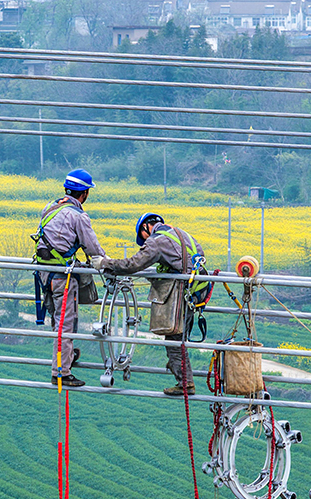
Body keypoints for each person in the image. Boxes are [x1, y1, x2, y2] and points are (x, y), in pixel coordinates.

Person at [92, 213, 206, 396]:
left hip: (180, 293)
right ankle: (180, 371)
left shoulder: (156, 241)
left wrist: (105, 263)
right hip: (196, 291)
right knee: (179, 337)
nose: (145, 241)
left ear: (146, 227)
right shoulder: (182, 234)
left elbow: (133, 264)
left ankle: (185, 383)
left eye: (143, 237)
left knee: (174, 338)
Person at [35, 168, 106, 388]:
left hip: (44, 274)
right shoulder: (78, 216)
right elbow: (93, 249)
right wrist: (109, 265)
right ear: (84, 193)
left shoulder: (50, 207)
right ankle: (61, 372)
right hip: (62, 277)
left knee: (57, 319)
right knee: (66, 323)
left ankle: (66, 357)